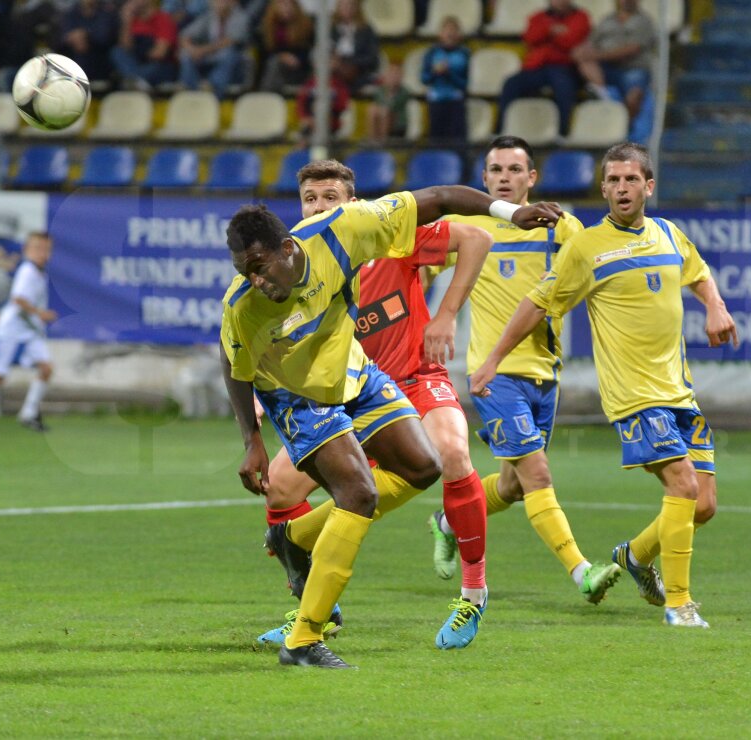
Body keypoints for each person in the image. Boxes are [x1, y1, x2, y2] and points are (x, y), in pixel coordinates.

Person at [221, 180, 560, 669]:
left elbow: (440, 198)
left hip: (356, 374)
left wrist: (509, 213)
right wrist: (252, 441)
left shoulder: (343, 231)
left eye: (258, 267)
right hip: (299, 400)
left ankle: (293, 539)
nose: (255, 280)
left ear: (288, 249)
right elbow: (233, 369)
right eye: (243, 272)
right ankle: (304, 639)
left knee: (425, 466)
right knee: (359, 493)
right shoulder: (241, 307)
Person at [470, 142, 738, 628]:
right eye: (612, 181)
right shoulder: (587, 247)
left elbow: (698, 274)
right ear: (603, 188)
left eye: (630, 180)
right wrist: (493, 359)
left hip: (679, 389)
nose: (621, 189)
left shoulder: (668, 234)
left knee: (703, 505)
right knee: (682, 482)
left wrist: (715, 306)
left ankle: (634, 557)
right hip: (634, 395)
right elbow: (537, 303)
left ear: (648, 186)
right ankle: (680, 604)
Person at [252, 159, 496, 651]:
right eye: (310, 199)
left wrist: (446, 315)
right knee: (279, 486)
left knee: (451, 452)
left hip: (413, 376)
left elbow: (477, 239)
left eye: (330, 198)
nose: (319, 207)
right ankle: (315, 609)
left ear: (353, 203)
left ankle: (473, 595)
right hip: (348, 392)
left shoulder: (387, 235)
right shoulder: (297, 260)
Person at [435, 135, 622, 605]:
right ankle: (581, 571)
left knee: (515, 485)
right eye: (495, 169)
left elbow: (598, 275)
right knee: (537, 473)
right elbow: (415, 273)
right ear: (483, 179)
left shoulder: (561, 230)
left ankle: (447, 521)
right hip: (492, 374)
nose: (504, 177)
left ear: (532, 178)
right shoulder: (465, 227)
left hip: (545, 374)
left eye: (514, 170)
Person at [0, 232, 58, 436]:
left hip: (29, 331)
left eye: (46, 249)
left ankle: (29, 413)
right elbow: (18, 299)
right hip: (11, 330)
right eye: (38, 248)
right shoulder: (27, 271)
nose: (43, 253)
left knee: (46, 368)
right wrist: (40, 313)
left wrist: (37, 317)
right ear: (27, 250)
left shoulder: (40, 273)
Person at [496, 0, 590, 138]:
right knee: (511, 83)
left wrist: (547, 32)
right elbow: (530, 38)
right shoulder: (537, 16)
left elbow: (571, 41)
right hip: (537, 67)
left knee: (564, 86)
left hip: (564, 67)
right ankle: (500, 130)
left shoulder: (581, 17)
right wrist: (552, 30)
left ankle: (561, 133)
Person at [572, 0, 655, 122]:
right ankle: (603, 94)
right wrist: (580, 52)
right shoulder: (607, 19)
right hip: (606, 67)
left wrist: (597, 55)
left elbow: (632, 49)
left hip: (633, 68)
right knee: (585, 62)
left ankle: (626, 125)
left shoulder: (644, 21)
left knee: (634, 95)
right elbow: (591, 41)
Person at [177, 0, 248, 93]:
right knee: (185, 54)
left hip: (234, 65)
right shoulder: (209, 16)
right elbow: (184, 35)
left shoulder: (241, 17)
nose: (219, 3)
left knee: (229, 53)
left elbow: (229, 41)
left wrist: (202, 50)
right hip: (211, 58)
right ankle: (192, 91)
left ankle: (214, 89)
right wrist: (192, 49)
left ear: (232, 2)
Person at [420, 15, 469, 142]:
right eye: (447, 30)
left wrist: (448, 74)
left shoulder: (464, 54)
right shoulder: (432, 53)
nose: (450, 33)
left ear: (459, 34)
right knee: (436, 140)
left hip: (456, 102)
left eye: (454, 30)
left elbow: (465, 84)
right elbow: (424, 79)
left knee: (457, 141)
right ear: (440, 33)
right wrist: (435, 73)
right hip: (436, 101)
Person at [110, 0, 177, 91]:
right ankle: (138, 81)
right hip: (136, 64)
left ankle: (134, 80)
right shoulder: (133, 21)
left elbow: (160, 53)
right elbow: (125, 47)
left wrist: (140, 52)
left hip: (160, 66)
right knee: (116, 52)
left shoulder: (162, 18)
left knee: (152, 69)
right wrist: (127, 21)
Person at [56, 0, 120, 83]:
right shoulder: (71, 12)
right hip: (73, 54)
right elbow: (61, 39)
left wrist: (85, 35)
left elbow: (105, 38)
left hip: (99, 55)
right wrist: (72, 38)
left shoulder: (107, 11)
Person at [255, 0, 311, 94]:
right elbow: (263, 55)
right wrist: (281, 56)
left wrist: (294, 59)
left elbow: (307, 52)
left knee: (274, 64)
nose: (287, 8)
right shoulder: (266, 28)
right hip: (272, 69)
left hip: (297, 70)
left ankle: (266, 96)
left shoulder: (305, 26)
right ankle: (267, 96)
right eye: (283, 5)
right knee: (274, 63)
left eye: (290, 5)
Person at [367, 61, 409, 141]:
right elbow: (377, 104)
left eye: (396, 74)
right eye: (391, 74)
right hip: (380, 120)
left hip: (398, 124)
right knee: (372, 109)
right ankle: (372, 140)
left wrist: (391, 91)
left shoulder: (404, 92)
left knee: (385, 111)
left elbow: (392, 106)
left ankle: (383, 141)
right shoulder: (380, 91)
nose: (393, 77)